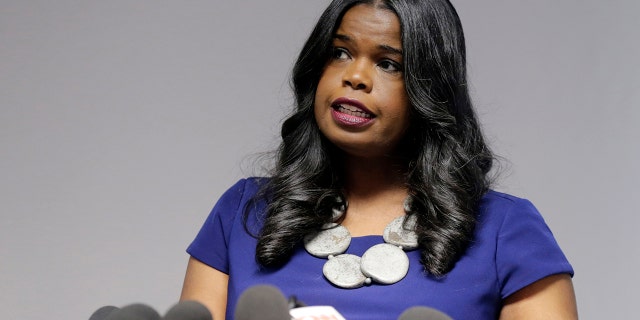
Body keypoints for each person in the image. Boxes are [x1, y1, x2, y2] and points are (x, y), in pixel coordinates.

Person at [180, 0, 578, 319]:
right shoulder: (242, 213)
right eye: (339, 52)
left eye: (388, 63)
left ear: (430, 89)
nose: (355, 76)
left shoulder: (506, 230)